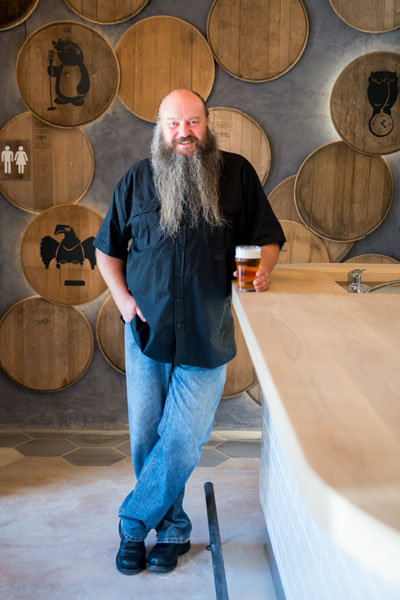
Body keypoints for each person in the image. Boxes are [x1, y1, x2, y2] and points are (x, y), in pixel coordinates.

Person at [94, 88, 285, 575]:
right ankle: (173, 530)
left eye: (194, 122)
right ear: (160, 129)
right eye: (174, 123)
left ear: (207, 124)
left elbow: (267, 238)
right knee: (147, 439)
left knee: (180, 439)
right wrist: (124, 301)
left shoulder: (236, 174)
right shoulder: (136, 180)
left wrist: (263, 268)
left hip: (206, 330)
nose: (185, 132)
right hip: (146, 333)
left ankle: (133, 523)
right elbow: (107, 249)